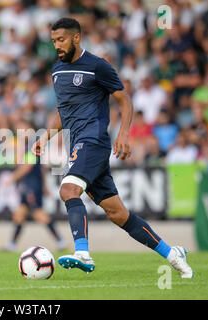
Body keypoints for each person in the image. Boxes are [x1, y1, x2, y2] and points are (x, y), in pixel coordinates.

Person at [31, 18, 193, 278]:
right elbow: (64, 111)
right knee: (118, 214)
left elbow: (124, 99)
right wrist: (46, 136)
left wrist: (124, 134)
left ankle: (82, 252)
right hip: (78, 143)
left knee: (68, 189)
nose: (57, 46)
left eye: (61, 40)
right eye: (53, 41)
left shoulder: (98, 66)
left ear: (76, 38)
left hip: (93, 140)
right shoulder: (57, 70)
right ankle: (172, 254)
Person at [4, 122, 65, 251]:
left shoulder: (33, 144)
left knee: (39, 214)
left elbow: (27, 166)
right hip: (29, 185)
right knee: (19, 214)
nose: (20, 131)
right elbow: (40, 167)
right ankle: (12, 244)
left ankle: (61, 241)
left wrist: (12, 178)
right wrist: (44, 185)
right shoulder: (27, 145)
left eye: (23, 128)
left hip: (31, 186)